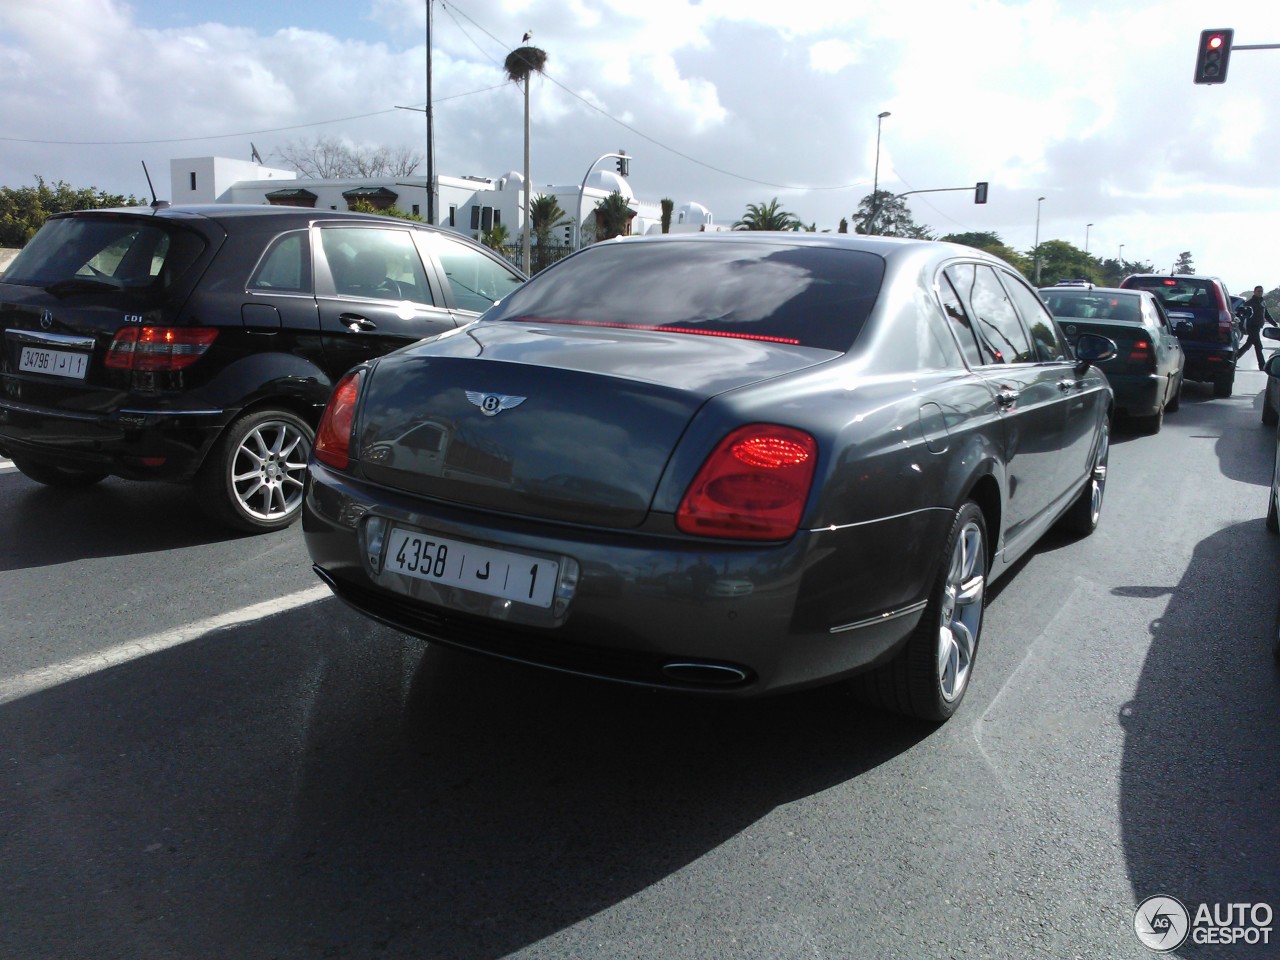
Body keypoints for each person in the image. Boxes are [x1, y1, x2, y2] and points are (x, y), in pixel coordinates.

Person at [1236, 285, 1276, 369]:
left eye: (1261, 291)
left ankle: (1234, 358)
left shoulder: (1262, 302)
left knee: (1248, 345)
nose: (1260, 293)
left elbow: (1266, 314)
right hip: (1251, 327)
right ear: (1254, 292)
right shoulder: (1249, 303)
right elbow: (1242, 316)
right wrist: (1242, 328)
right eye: (1258, 291)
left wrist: (1274, 324)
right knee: (1258, 346)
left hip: (1258, 327)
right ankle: (1262, 365)